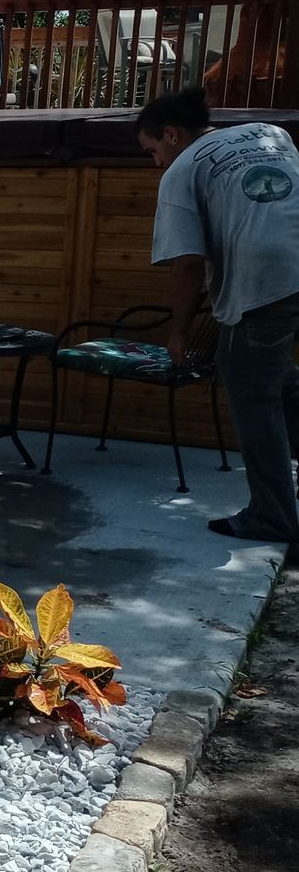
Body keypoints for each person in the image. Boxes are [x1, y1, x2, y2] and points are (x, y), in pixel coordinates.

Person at [142, 87, 299, 541]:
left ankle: (273, 517)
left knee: (254, 397)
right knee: (280, 382)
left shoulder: (181, 171)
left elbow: (187, 262)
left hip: (269, 283)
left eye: (152, 150)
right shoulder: (271, 133)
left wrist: (178, 334)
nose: (155, 162)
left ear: (171, 135)